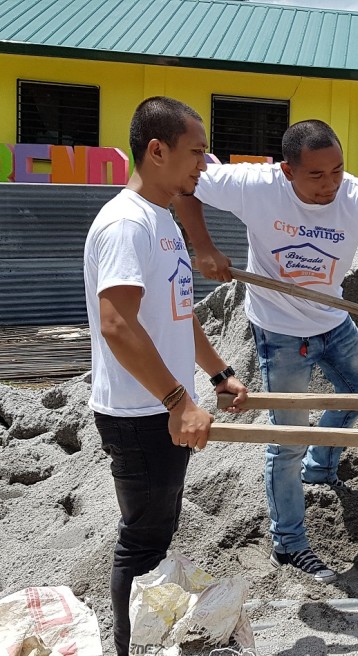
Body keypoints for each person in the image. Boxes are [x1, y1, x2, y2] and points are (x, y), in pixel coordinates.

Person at [173, 119, 358, 583]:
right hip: (277, 331)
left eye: (336, 171)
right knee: (286, 437)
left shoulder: (357, 197)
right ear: (286, 171)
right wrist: (206, 248)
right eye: (316, 176)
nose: (329, 185)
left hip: (333, 322)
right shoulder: (255, 185)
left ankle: (322, 466)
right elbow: (183, 185)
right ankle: (290, 543)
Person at [84, 96, 248, 656]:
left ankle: (150, 639)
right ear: (157, 151)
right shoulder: (127, 224)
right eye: (196, 152)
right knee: (143, 541)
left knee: (154, 535)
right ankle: (133, 647)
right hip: (141, 413)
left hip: (161, 408)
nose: (205, 164)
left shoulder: (164, 219)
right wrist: (179, 400)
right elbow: (117, 324)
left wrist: (219, 372)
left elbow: (180, 313)